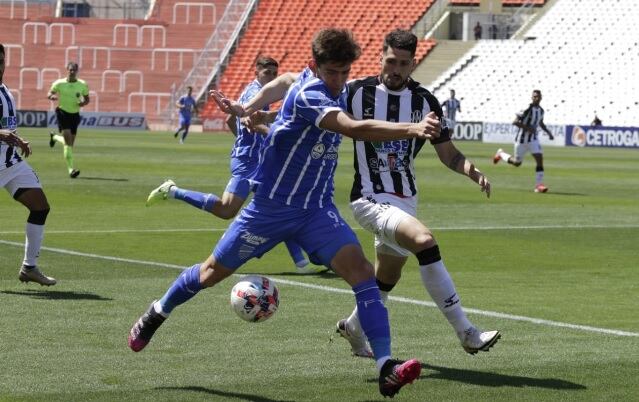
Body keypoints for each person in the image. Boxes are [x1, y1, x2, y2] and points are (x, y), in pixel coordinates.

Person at [128, 28, 441, 397]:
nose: (340, 81)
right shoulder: (311, 94)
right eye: (332, 73)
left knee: (363, 276)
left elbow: (282, 80)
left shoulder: (317, 82)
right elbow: (353, 128)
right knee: (211, 273)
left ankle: (385, 366)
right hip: (270, 209)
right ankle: (157, 311)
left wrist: (249, 107)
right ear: (316, 66)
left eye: (345, 72)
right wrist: (412, 128)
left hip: (316, 211)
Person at [331, 29, 499, 359]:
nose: (395, 69)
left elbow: (449, 154)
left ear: (413, 64)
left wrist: (473, 171)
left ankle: (353, 326)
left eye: (403, 64)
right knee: (424, 241)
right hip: (369, 197)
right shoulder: (356, 93)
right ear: (381, 56)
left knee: (387, 278)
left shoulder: (425, 102)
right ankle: (466, 331)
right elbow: (317, 112)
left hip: (406, 199)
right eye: (391, 61)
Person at [146, 56, 321, 274]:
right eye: (267, 73)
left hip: (257, 160)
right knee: (227, 209)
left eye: (274, 74)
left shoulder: (259, 94)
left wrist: (244, 139)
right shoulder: (253, 94)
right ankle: (173, 191)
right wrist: (248, 142)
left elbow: (231, 120)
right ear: (256, 71)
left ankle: (302, 262)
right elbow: (248, 122)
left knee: (278, 204)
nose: (271, 77)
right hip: (248, 161)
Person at [0, 44, 55, 286]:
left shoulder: (4, 90)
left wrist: (16, 138)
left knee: (40, 207)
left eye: (1, 60)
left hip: (10, 163)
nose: (0, 65)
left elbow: (6, 126)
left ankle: (29, 267)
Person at [493, 89, 554, 193]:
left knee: (539, 158)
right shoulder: (526, 109)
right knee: (517, 163)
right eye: (534, 96)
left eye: (538, 96)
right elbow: (515, 122)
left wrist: (548, 133)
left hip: (533, 140)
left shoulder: (541, 111)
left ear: (541, 98)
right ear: (532, 97)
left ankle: (539, 186)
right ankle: (501, 153)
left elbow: (541, 123)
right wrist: (528, 128)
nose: (536, 98)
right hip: (521, 140)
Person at [47, 61, 89, 178]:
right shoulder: (59, 83)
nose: (72, 72)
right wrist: (52, 96)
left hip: (75, 115)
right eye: (70, 70)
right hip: (62, 112)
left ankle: (54, 137)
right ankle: (71, 170)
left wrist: (83, 103)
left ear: (77, 71)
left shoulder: (82, 84)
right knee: (68, 143)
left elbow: (87, 99)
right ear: (67, 70)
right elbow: (50, 93)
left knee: (69, 143)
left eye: (74, 70)